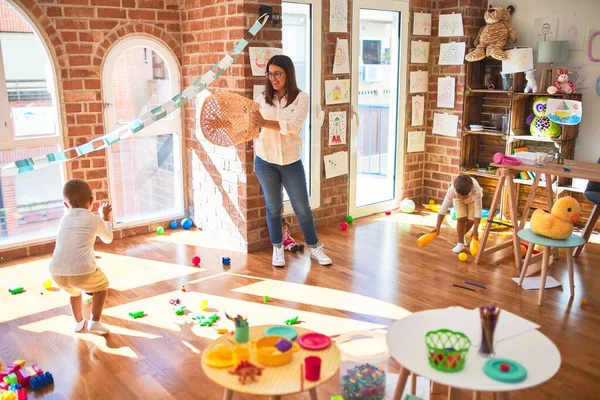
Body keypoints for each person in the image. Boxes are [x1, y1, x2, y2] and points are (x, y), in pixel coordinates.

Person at [253, 55, 331, 267]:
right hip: (264, 160)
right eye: (270, 73)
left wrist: (265, 122)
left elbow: (294, 126)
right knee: (273, 207)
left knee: (302, 207)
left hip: (290, 162)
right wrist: (258, 124)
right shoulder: (261, 99)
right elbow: (255, 126)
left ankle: (314, 248)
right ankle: (277, 247)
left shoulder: (301, 98)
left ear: (288, 74)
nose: (273, 78)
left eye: (277, 73)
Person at [49, 179, 113, 335]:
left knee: (74, 292)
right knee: (102, 285)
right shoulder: (94, 219)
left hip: (56, 272)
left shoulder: (64, 220)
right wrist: (104, 218)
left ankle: (78, 322)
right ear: (91, 201)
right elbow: (107, 238)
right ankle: (95, 322)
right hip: (82, 271)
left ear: (66, 205)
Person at [431, 174, 483, 253]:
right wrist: (437, 226)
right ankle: (460, 243)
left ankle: (461, 236)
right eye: (460, 196)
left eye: (464, 197)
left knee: (470, 221)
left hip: (472, 201)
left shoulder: (476, 191)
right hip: (457, 201)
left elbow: (478, 210)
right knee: (461, 219)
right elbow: (443, 208)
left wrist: (475, 229)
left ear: (471, 190)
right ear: (455, 189)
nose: (462, 199)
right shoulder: (452, 191)